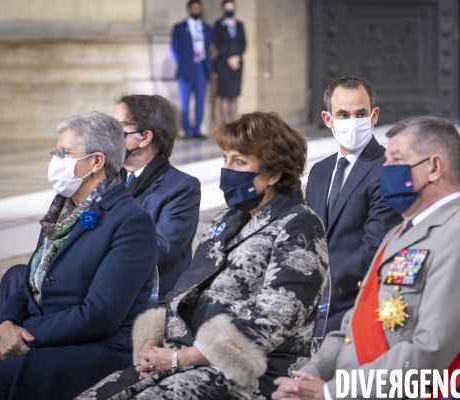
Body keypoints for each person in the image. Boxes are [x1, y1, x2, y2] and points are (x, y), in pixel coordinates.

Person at [79, 112, 329, 400]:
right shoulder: (230, 218)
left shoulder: (300, 224)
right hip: (186, 355)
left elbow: (272, 323)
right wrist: (152, 342)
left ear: (274, 173)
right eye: (225, 158)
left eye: (239, 162)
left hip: (248, 371)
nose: (227, 170)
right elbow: (188, 286)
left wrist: (179, 359)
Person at [274, 116, 460, 399]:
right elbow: (350, 328)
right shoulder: (399, 234)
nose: (384, 169)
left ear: (434, 167)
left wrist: (332, 392)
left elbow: (428, 353)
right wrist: (309, 376)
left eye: (395, 160)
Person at [0, 111, 157, 399]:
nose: (55, 161)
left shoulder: (131, 221)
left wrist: (24, 333)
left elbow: (98, 316)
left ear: (97, 161)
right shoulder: (63, 209)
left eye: (64, 153)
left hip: (91, 350)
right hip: (46, 336)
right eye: (55, 152)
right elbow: (32, 281)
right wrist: (6, 324)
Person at [305, 75, 402, 333]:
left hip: (354, 302)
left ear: (374, 116)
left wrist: (313, 283)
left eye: (361, 113)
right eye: (343, 115)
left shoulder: (388, 169)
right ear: (328, 119)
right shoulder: (319, 171)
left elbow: (375, 250)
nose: (353, 122)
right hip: (309, 299)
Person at [115, 94, 201, 302]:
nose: (109, 135)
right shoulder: (107, 179)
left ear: (145, 137)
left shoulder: (181, 187)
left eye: (118, 127)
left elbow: (160, 250)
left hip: (149, 298)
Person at [171, 0, 213, 138]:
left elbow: (209, 47)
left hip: (201, 66)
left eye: (198, 8)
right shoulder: (180, 27)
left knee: (201, 99)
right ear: (189, 9)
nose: (196, 10)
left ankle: (197, 130)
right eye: (193, 8)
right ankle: (187, 130)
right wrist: (182, 63)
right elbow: (174, 48)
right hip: (186, 67)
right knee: (185, 100)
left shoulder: (206, 27)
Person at [213, 0, 246, 122]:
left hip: (237, 64)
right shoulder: (218, 24)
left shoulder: (240, 24)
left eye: (232, 8)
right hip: (223, 64)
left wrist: (237, 57)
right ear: (223, 9)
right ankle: (225, 125)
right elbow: (217, 43)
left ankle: (234, 124)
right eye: (227, 8)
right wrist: (229, 58)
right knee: (225, 96)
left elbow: (243, 43)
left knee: (234, 96)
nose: (230, 10)